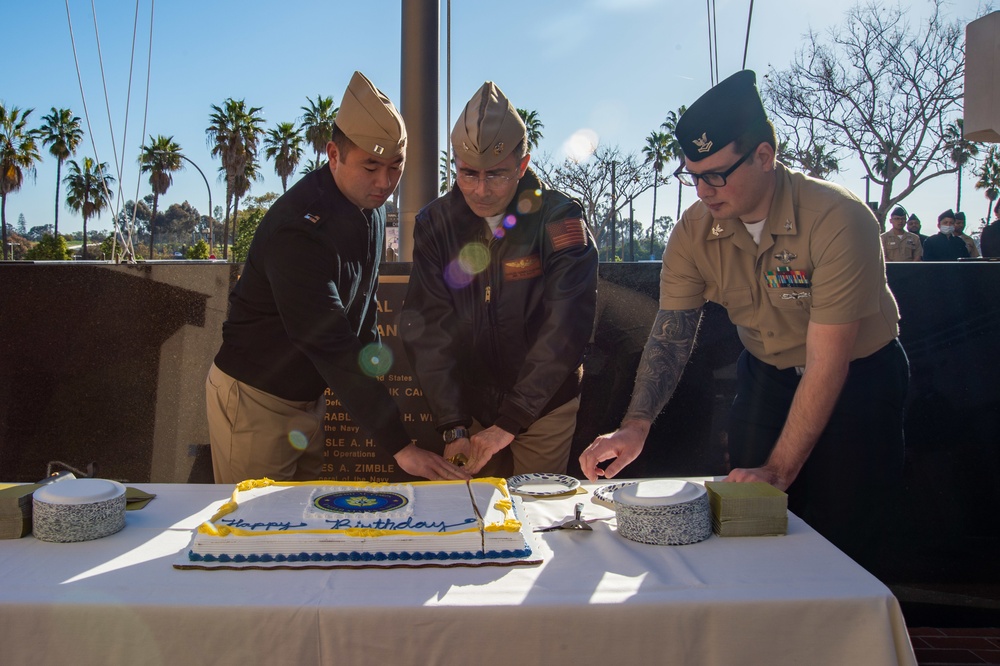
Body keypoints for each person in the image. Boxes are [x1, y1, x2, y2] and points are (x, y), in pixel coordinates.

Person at [579, 70, 908, 572]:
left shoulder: (838, 219)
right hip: (767, 377)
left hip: (857, 379)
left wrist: (778, 471)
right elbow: (671, 335)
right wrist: (636, 425)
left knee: (849, 537)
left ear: (763, 156)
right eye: (692, 175)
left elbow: (827, 364)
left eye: (716, 174)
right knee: (747, 523)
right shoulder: (693, 231)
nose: (703, 190)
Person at [206, 71, 467, 484]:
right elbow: (330, 341)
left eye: (395, 167)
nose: (385, 183)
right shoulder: (299, 230)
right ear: (333, 153)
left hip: (309, 399)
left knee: (306, 529)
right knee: (259, 536)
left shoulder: (373, 208)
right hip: (256, 400)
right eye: (370, 166)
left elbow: (361, 315)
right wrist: (399, 444)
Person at [400, 82, 599, 477]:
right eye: (468, 173)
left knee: (537, 514)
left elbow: (567, 326)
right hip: (469, 406)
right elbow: (428, 328)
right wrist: (452, 423)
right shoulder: (435, 224)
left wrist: (511, 421)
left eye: (497, 175)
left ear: (522, 166)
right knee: (471, 519)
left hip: (544, 406)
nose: (480, 190)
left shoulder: (559, 219)